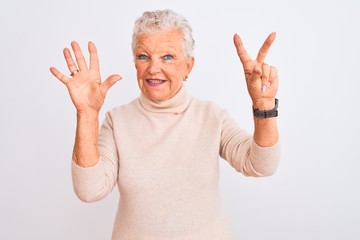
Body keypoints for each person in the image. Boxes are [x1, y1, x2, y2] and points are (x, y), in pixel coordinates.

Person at [50, 9, 280, 240]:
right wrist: (87, 114)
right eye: (143, 56)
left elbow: (261, 165)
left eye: (167, 57)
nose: (153, 68)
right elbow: (90, 190)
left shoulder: (211, 116)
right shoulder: (117, 121)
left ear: (188, 66)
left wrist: (264, 104)